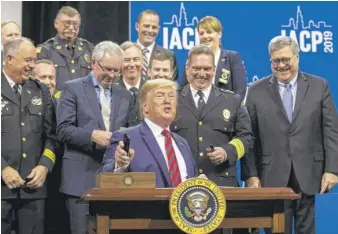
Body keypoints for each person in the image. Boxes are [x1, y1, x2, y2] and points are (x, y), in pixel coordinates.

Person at [243, 36, 338, 234]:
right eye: (275, 61)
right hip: (271, 176)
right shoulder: (254, 91)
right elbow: (249, 138)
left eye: (286, 59)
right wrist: (251, 175)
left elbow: (331, 130)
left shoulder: (320, 86)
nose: (281, 65)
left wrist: (332, 169)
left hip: (311, 174)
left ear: (297, 58)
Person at [56, 41, 138, 234]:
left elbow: (132, 131)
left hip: (114, 180)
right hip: (80, 180)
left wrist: (125, 150)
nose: (112, 75)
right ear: (93, 63)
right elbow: (63, 130)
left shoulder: (126, 95)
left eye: (117, 71)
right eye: (108, 69)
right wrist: (92, 136)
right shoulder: (72, 89)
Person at [171, 44, 253, 234]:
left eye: (207, 68)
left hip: (222, 186)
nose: (202, 73)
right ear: (187, 69)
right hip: (182, 188)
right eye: (197, 68)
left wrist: (228, 151)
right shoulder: (172, 99)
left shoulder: (232, 100)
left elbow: (246, 137)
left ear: (214, 70)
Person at [1, 37, 57, 234]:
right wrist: (3, 168)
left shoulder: (40, 91)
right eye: (28, 60)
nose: (32, 66)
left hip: (33, 190)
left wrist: (44, 166)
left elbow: (51, 137)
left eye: (34, 60)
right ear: (9, 59)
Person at [100, 79, 196, 188]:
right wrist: (119, 165)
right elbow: (103, 178)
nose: (167, 100)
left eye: (171, 96)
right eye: (160, 96)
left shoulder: (183, 144)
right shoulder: (126, 137)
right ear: (145, 107)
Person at [32, 58, 70, 234]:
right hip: (33, 178)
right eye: (42, 77)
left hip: (58, 180)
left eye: (51, 77)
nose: (48, 82)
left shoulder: (64, 105)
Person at [181, 16, 247, 101]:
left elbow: (240, 92)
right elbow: (184, 89)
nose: (205, 36)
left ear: (219, 34)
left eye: (209, 32)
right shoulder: (191, 58)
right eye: (201, 33)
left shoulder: (232, 58)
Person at [37, 6, 94, 93]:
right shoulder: (45, 51)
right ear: (56, 23)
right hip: (56, 103)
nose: (71, 27)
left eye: (75, 24)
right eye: (67, 23)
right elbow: (39, 82)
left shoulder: (89, 49)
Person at [135, 9, 178, 81]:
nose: (150, 30)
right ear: (137, 26)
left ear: (158, 29)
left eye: (154, 27)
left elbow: (172, 86)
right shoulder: (125, 52)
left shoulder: (169, 55)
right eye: (146, 26)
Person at [115, 41, 147, 121]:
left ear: (142, 62)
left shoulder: (151, 89)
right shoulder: (113, 91)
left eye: (136, 59)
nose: (132, 64)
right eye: (127, 60)